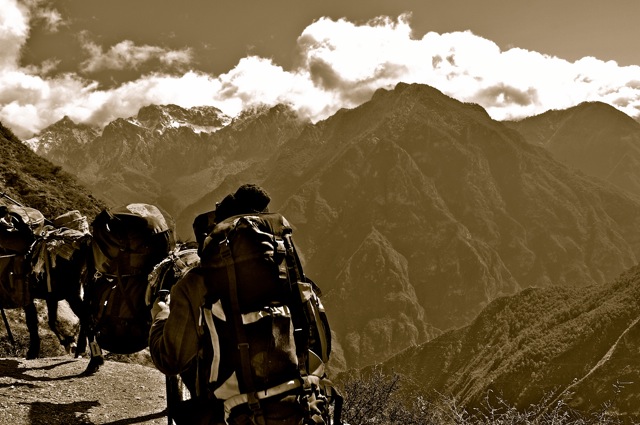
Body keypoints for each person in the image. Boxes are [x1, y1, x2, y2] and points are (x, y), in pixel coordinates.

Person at [148, 184, 272, 424]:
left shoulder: (195, 284)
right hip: (290, 408)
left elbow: (170, 360)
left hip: (227, 412)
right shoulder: (289, 278)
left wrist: (161, 316)